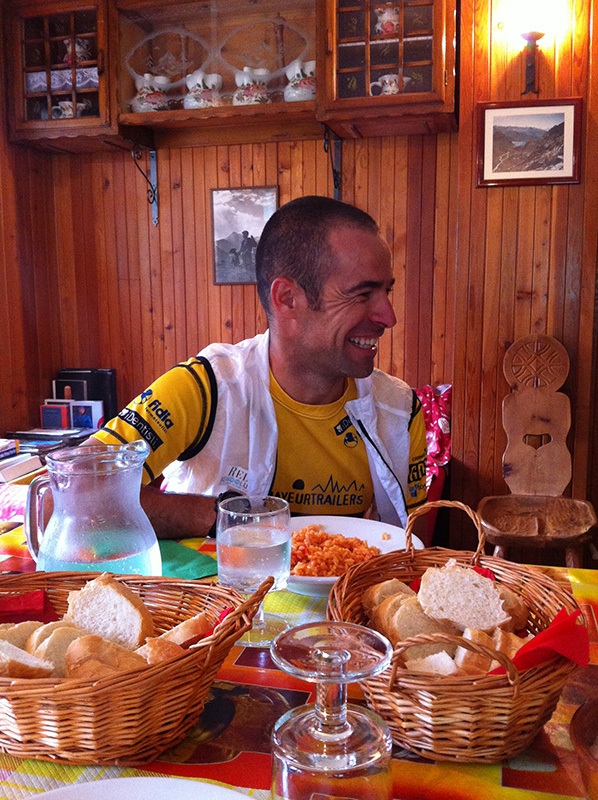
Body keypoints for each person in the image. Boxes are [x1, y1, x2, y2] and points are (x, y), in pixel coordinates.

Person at [92, 196, 427, 538]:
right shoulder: (205, 388)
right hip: (213, 590)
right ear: (287, 298)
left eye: (386, 291)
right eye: (362, 294)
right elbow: (66, 496)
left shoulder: (400, 410)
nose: (389, 316)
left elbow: (413, 549)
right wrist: (226, 517)